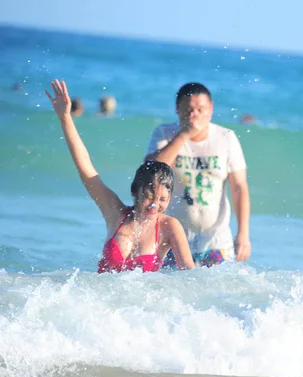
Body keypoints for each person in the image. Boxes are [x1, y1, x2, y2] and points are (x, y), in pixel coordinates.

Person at [45, 79, 195, 273]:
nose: (154, 204)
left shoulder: (169, 226)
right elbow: (86, 168)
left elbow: (189, 274)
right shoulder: (116, 213)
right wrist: (65, 118)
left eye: (163, 199)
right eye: (149, 196)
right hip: (101, 299)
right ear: (135, 191)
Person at [145, 82, 251, 267]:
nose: (194, 115)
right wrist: (184, 135)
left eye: (200, 109)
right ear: (177, 110)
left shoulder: (226, 137)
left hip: (216, 241)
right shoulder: (164, 133)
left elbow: (239, 187)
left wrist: (243, 234)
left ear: (210, 109)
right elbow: (151, 170)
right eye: (188, 110)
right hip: (172, 240)